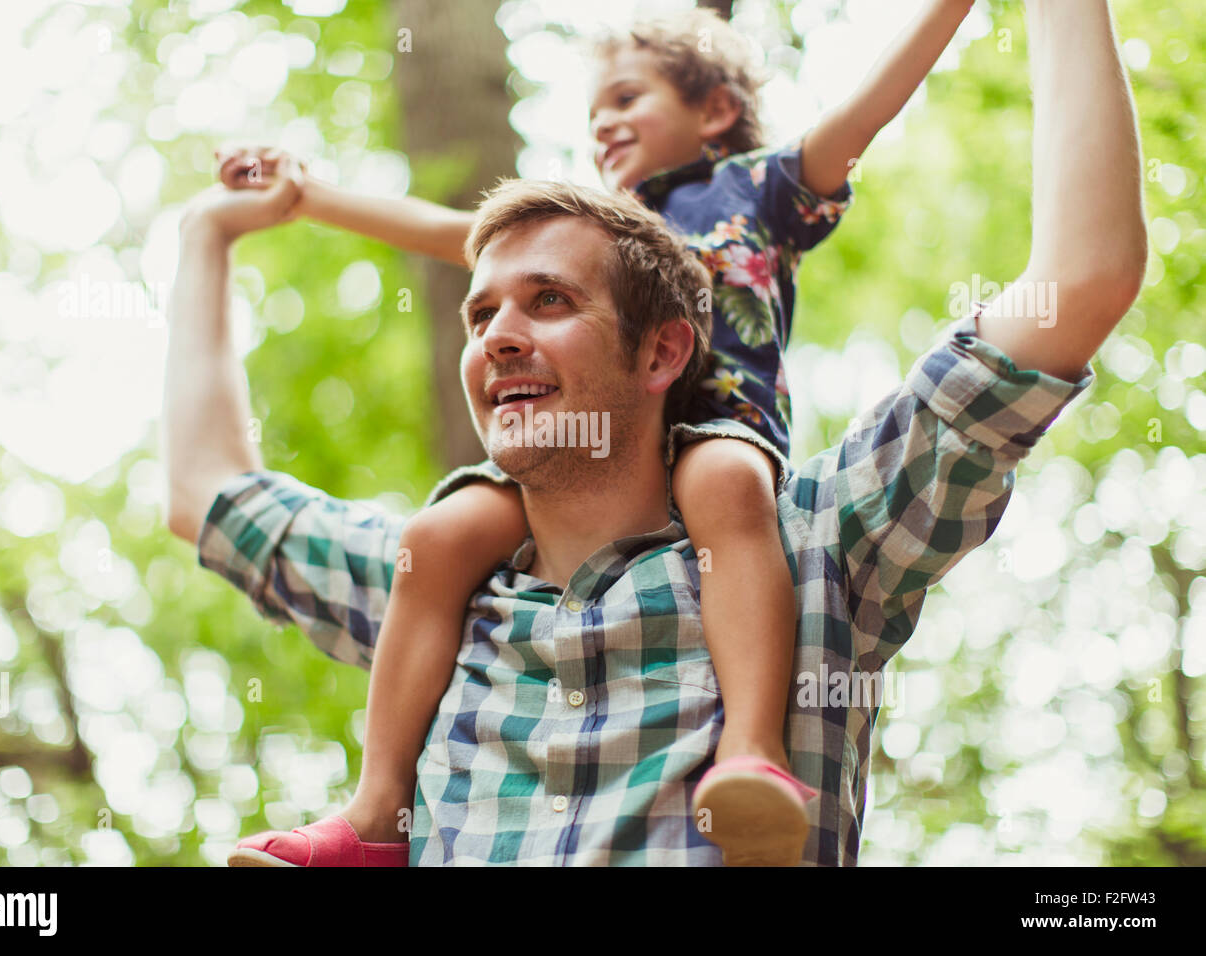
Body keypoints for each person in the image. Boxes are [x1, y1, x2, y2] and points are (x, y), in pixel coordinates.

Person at [163, 0, 1145, 865]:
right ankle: (368, 817)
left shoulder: (816, 552)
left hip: (734, 465)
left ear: (662, 350)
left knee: (726, 486)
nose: (499, 334)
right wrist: (217, 229)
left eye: (548, 299)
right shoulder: (439, 591)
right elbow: (204, 493)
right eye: (478, 315)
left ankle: (749, 756)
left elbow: (1077, 282)